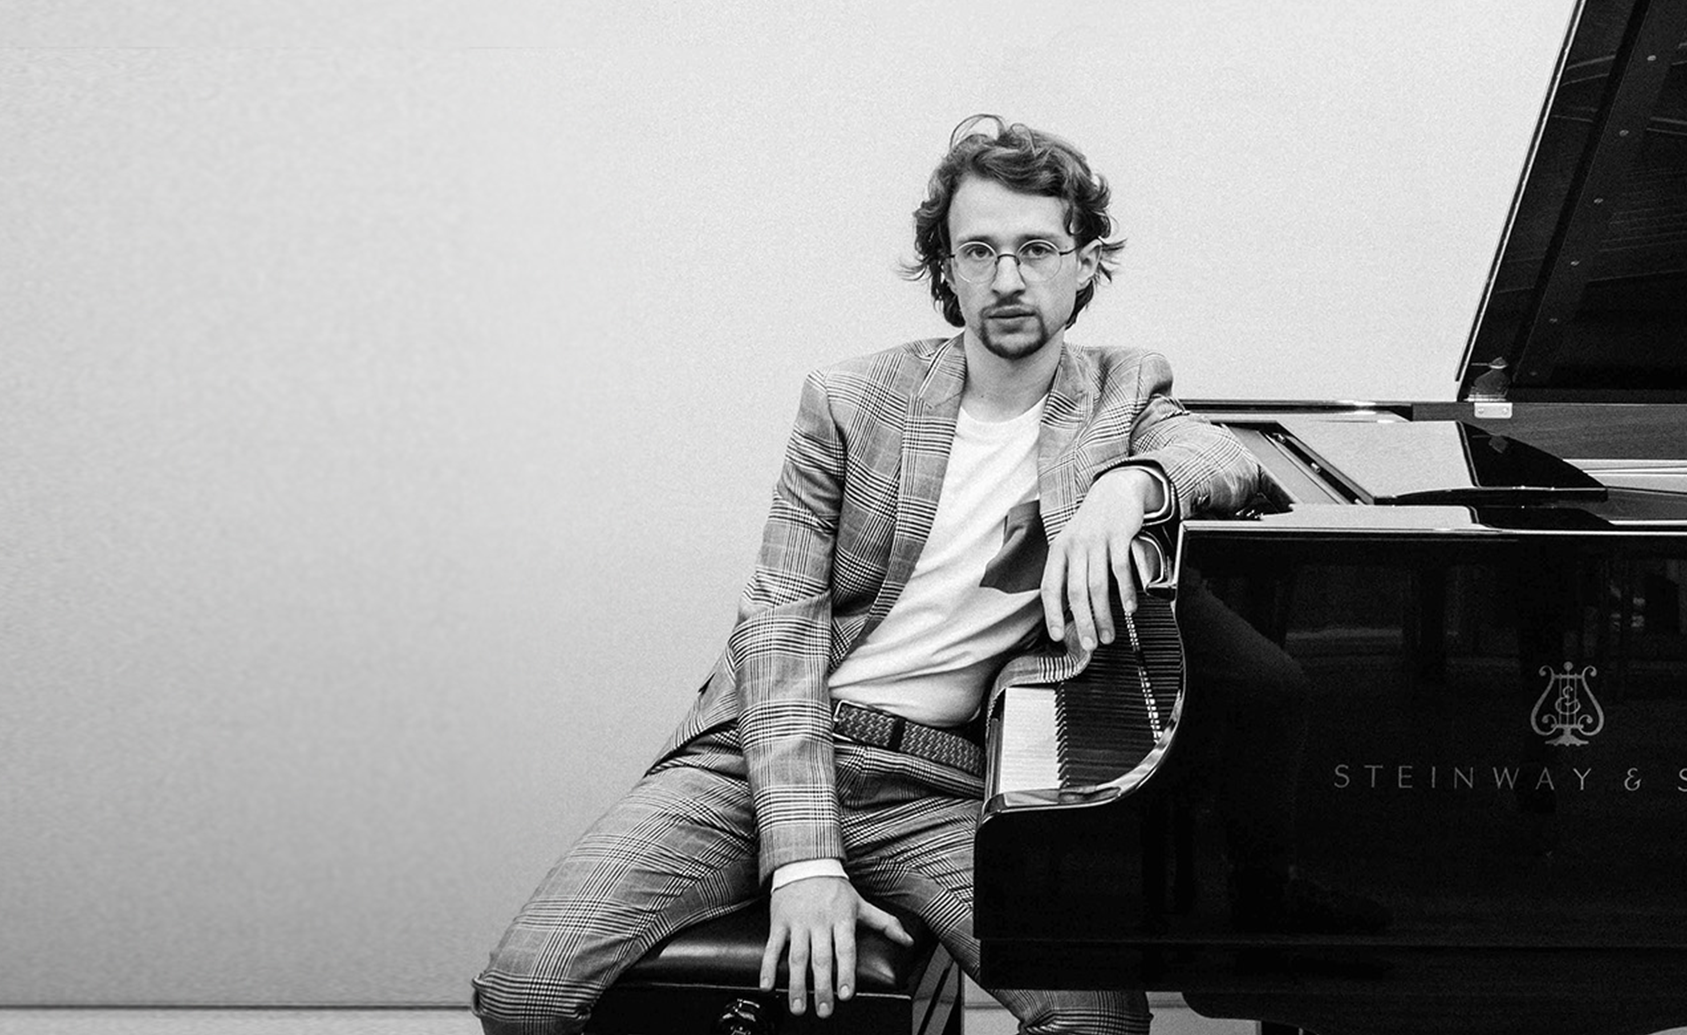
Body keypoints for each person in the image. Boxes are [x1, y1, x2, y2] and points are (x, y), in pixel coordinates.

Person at [473, 115, 1332, 1035]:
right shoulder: (852, 400)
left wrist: (1131, 486)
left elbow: (1225, 460)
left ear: (1084, 263)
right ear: (946, 271)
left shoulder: (1122, 391)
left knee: (1098, 1021)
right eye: (979, 251)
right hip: (760, 755)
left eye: (1037, 249)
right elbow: (778, 624)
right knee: (526, 992)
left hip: (935, 782)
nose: (1008, 278)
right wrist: (805, 860)